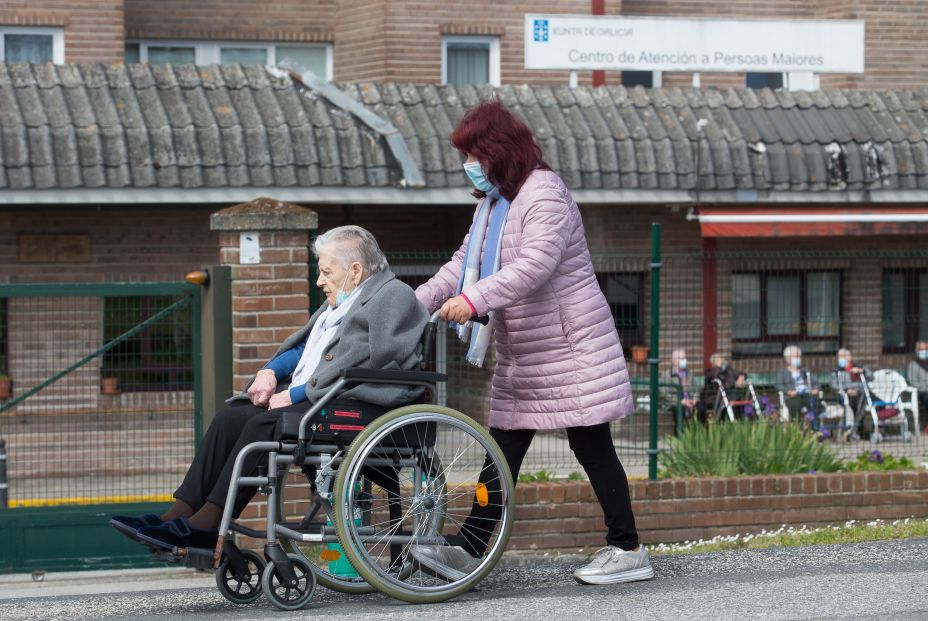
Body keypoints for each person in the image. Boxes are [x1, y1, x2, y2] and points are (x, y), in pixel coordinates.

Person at [411, 101, 652, 586]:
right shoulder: (494, 203)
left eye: (473, 154)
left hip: (571, 346)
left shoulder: (545, 195)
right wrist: (411, 305)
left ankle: (628, 549)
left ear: (497, 150)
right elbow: (463, 262)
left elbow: (534, 266)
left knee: (592, 445)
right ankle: (472, 545)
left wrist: (472, 300)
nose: (469, 166)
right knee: (501, 449)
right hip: (526, 352)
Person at [110, 226, 428, 550]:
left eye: (326, 272)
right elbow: (305, 349)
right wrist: (270, 372)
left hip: (360, 405)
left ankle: (207, 526)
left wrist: (297, 394)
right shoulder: (343, 302)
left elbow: (377, 364)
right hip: (324, 399)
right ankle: (178, 514)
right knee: (229, 419)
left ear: (356, 270)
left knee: (264, 424)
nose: (319, 281)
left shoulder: (393, 295)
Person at [830, 348, 873, 436]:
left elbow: (871, 377)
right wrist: (847, 389)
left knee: (863, 400)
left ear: (849, 357)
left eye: (843, 356)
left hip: (859, 395)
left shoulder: (857, 367)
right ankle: (852, 431)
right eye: (839, 357)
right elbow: (833, 386)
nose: (840, 359)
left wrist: (862, 371)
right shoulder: (836, 371)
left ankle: (855, 430)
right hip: (844, 397)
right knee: (852, 404)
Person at [775, 345, 822, 425]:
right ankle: (797, 426)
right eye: (796, 356)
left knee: (814, 403)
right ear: (788, 359)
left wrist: (815, 389)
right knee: (796, 404)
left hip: (807, 394)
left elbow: (817, 383)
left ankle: (815, 428)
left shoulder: (805, 370)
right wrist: (788, 391)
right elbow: (778, 385)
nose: (799, 359)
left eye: (799, 356)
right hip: (793, 396)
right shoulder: (782, 372)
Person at [696, 353, 746, 422]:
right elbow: (715, 376)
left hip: (727, 396)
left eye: (722, 360)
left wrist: (741, 376)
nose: (723, 361)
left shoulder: (726, 371)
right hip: (713, 398)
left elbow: (736, 374)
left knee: (739, 398)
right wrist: (718, 366)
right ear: (714, 362)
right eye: (720, 360)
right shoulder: (710, 372)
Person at [666, 349, 696, 428]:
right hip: (676, 402)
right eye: (682, 359)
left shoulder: (689, 373)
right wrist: (680, 401)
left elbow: (696, 389)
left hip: (690, 400)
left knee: (701, 408)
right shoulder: (667, 374)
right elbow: (665, 393)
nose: (685, 361)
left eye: (685, 358)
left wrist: (695, 400)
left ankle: (698, 433)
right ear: (674, 361)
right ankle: (679, 435)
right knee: (680, 409)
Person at [905, 340, 928, 417]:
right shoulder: (912, 365)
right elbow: (912, 383)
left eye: (926, 349)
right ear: (917, 351)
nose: (924, 351)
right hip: (921, 393)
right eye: (922, 350)